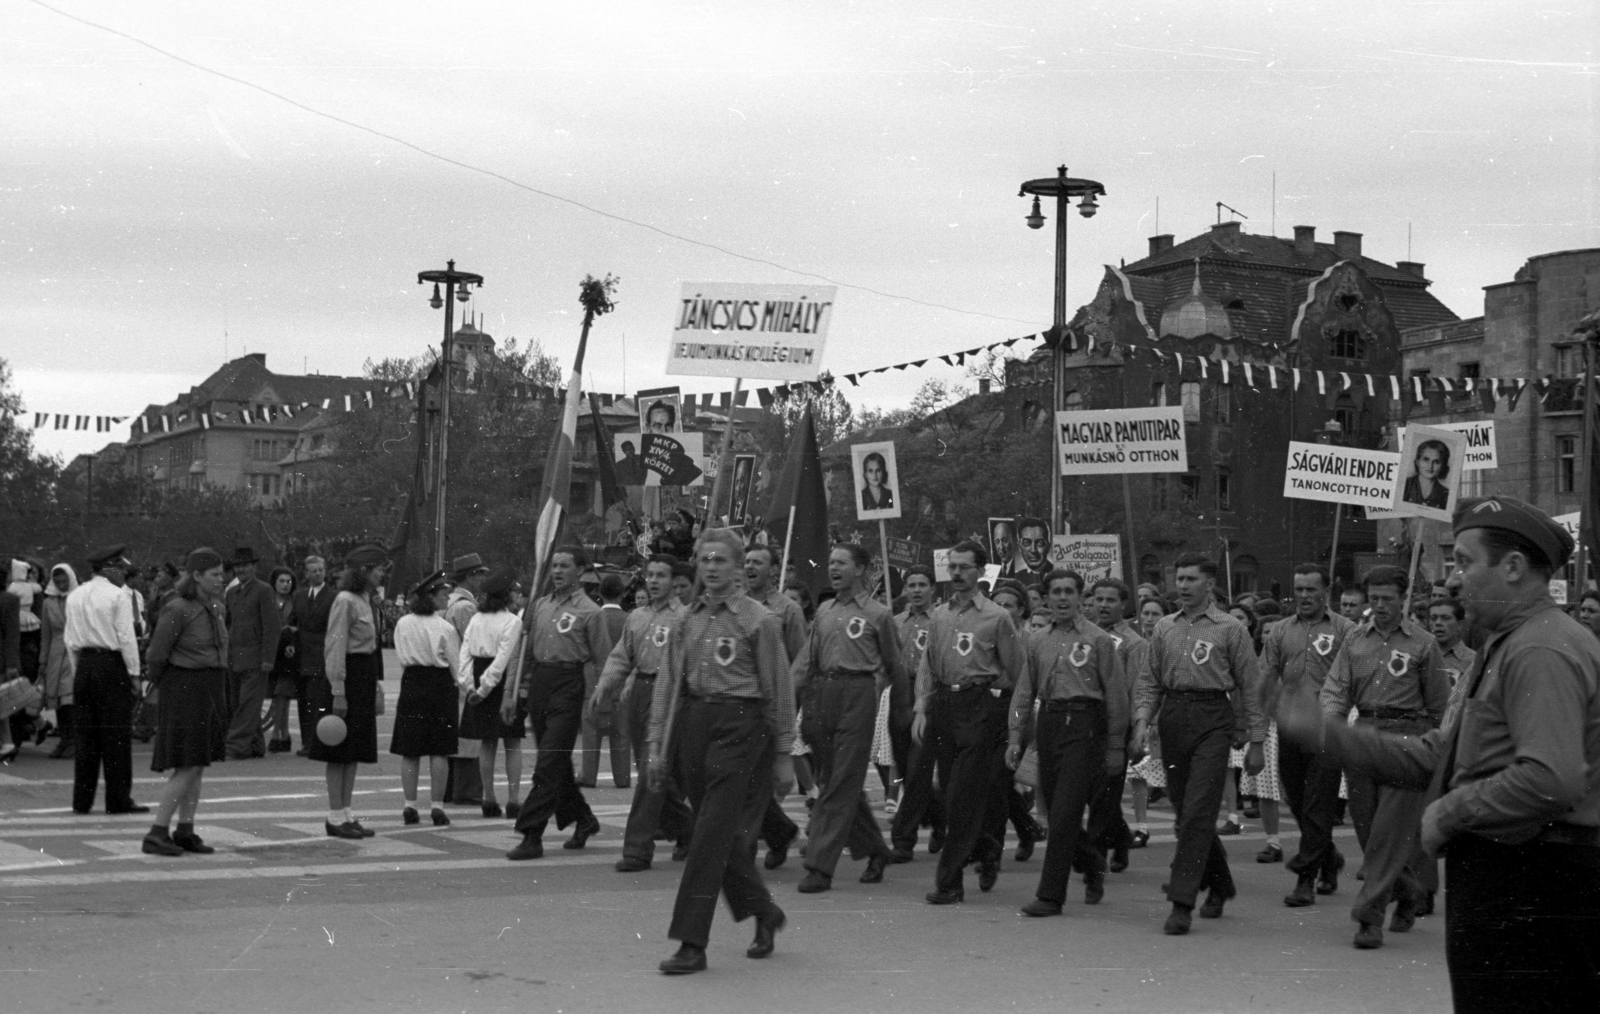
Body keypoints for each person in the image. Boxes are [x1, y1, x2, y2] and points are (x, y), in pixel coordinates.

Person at [1278, 495, 1600, 1010]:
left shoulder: (1540, 649)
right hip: (1516, 869)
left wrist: (1449, 811)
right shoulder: (1510, 642)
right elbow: (1442, 755)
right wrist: (1328, 734)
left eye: (1465, 563)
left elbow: (1550, 777)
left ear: (1514, 567)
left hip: (1534, 876)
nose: (1452, 580)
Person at [645, 528, 793, 975]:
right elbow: (668, 685)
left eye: (721, 561)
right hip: (694, 724)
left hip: (741, 727)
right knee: (717, 832)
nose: (711, 568)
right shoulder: (686, 621)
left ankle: (692, 942)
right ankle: (763, 910)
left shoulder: (759, 621)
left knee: (708, 834)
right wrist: (656, 747)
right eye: (704, 560)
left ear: (739, 567)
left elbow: (779, 689)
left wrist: (785, 753)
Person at [1132, 553, 1265, 935]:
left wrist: (1255, 740)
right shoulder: (1164, 628)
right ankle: (1220, 883)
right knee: (1185, 812)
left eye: (1191, 579)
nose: (1183, 586)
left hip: (1212, 717)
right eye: (1180, 579)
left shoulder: (1230, 629)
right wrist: (1142, 722)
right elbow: (1149, 681)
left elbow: (1251, 688)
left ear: (1210, 584)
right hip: (1174, 717)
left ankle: (1181, 901)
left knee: (1198, 811)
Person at [1320, 564, 1450, 950]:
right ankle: (1407, 890)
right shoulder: (1354, 641)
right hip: (1363, 738)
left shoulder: (1423, 644)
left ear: (1403, 599)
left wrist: (1438, 757)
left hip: (1407, 740)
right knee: (1366, 829)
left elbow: (1440, 706)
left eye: (1387, 599)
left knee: (1387, 832)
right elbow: (1336, 689)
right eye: (1373, 598)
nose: (1378, 606)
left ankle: (1369, 919)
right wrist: (1331, 726)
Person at [908, 540, 1025, 904]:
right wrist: (921, 707)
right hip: (944, 705)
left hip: (979, 708)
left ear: (980, 571)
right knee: (948, 791)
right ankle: (987, 848)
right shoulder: (940, 615)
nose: (956, 573)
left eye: (964, 567)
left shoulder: (996, 617)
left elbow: (1018, 672)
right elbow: (928, 664)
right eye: (952, 567)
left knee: (961, 795)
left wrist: (987, 692)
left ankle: (950, 882)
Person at [1009, 568, 1127, 916]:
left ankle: (1050, 896)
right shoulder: (1036, 640)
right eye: (1055, 592)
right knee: (1059, 812)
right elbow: (1024, 691)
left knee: (1063, 812)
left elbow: (1116, 695)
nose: (1062, 598)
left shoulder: (1098, 640)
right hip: (1049, 722)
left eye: (1069, 592)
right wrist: (1015, 735)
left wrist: (1116, 743)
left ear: (1080, 598)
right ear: (1046, 598)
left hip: (1085, 725)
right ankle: (1092, 865)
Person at [790, 543, 907, 893]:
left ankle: (819, 865)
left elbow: (895, 667)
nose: (834, 568)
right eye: (831, 562)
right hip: (821, 695)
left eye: (842, 563)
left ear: (861, 569)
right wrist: (789, 701)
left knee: (839, 782)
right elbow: (805, 663)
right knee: (838, 781)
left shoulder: (878, 614)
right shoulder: (824, 611)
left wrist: (901, 710)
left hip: (858, 695)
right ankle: (875, 849)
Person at [506, 546, 612, 860]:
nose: (557, 571)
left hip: (569, 684)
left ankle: (531, 834)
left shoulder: (591, 612)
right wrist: (510, 694)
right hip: (541, 682)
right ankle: (583, 818)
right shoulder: (539, 606)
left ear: (580, 571)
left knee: (549, 761)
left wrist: (599, 695)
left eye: (564, 566)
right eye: (554, 566)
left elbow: (603, 659)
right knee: (557, 763)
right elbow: (521, 652)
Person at [1261, 563, 1355, 907]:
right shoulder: (1281, 631)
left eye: (1310, 590)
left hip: (1327, 725)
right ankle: (1329, 859)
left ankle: (1306, 880)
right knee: (1297, 801)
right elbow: (1267, 674)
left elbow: (1354, 677)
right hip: (1290, 725)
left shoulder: (1346, 629)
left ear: (1325, 592)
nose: (1303, 596)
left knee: (1318, 803)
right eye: (1298, 589)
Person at [592, 555, 692, 872]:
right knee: (651, 770)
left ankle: (637, 848)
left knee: (652, 768)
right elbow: (622, 657)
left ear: (673, 581)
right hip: (640, 691)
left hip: (671, 695)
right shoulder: (636, 617)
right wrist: (605, 686)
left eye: (661, 575)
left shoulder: (685, 617)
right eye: (650, 574)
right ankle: (689, 831)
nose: (654, 580)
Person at [139, 547, 231, 856]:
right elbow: (156, 655)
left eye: (221, 574)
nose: (221, 579)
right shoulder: (178, 608)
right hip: (186, 687)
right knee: (187, 764)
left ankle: (185, 830)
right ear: (196, 576)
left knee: (198, 764)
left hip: (209, 686)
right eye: (215, 574)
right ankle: (157, 832)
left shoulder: (215, 606)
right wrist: (169, 686)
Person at [309, 544, 388, 839]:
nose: (382, 574)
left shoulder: (366, 598)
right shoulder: (345, 600)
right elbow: (335, 645)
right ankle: (333, 815)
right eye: (379, 569)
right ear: (365, 570)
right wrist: (338, 690)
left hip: (363, 677)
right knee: (338, 749)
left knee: (354, 748)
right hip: (346, 679)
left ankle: (346, 813)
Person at [64, 545, 148, 815]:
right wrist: (134, 674)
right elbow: (126, 637)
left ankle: (82, 800)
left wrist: (80, 671)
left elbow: (69, 641)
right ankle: (118, 799)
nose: (124, 575)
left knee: (86, 737)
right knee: (116, 737)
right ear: (110, 568)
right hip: (111, 666)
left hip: (85, 666)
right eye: (122, 569)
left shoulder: (74, 596)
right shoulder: (117, 596)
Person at [742, 545, 809, 871]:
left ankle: (766, 836)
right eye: (747, 561)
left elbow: (800, 660)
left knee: (757, 779)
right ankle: (779, 831)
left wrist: (789, 707)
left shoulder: (788, 610)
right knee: (744, 778)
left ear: (773, 570)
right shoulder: (734, 604)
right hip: (739, 703)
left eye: (758, 562)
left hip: (772, 705)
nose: (750, 566)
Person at [391, 569, 460, 827]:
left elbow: (400, 655)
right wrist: (466, 689)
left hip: (412, 683)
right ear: (430, 596)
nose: (447, 599)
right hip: (440, 685)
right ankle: (437, 807)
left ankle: (409, 805)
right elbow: (456, 664)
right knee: (439, 750)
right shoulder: (444, 627)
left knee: (410, 749)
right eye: (443, 595)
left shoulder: (403, 623)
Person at [888, 565, 948, 861]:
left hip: (929, 698)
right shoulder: (895, 621)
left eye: (922, 584)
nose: (916, 590)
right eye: (911, 584)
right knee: (904, 770)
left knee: (917, 771)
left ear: (933, 589)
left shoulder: (941, 620)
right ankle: (941, 819)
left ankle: (903, 840)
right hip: (899, 696)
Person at [1087, 577, 1146, 873]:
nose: (1103, 605)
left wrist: (1138, 729)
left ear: (1123, 604)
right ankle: (1121, 837)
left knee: (1105, 793)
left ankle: (1096, 857)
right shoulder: (1086, 634)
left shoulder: (1134, 644)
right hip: (1087, 723)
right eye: (1099, 599)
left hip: (1116, 726)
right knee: (1093, 792)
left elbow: (1137, 689)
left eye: (1110, 600)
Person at [458, 567, 526, 818]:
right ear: (506, 595)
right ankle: (514, 800)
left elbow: (465, 652)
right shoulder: (513, 621)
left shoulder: (476, 619)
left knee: (487, 743)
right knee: (512, 743)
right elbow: (504, 659)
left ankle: (488, 798)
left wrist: (470, 686)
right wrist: (486, 687)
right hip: (503, 681)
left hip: (477, 675)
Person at [988, 579, 1047, 860]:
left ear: (1021, 609)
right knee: (994, 783)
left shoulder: (1031, 640)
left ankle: (994, 851)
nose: (1002, 610)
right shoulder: (985, 634)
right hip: (989, 708)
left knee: (999, 780)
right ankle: (1027, 828)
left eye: (1008, 605)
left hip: (1019, 711)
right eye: (997, 605)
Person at [222, 547, 280, 760]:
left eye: (245, 565)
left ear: (254, 567)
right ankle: (255, 745)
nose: (241, 569)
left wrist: (268, 658)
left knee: (247, 703)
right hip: (235, 658)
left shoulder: (264, 590)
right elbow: (229, 625)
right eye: (238, 565)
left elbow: (272, 626)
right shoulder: (231, 593)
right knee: (240, 703)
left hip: (256, 659)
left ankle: (235, 746)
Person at [580, 573, 632, 789]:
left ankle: (589, 776)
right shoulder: (629, 619)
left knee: (591, 732)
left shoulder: (590, 617)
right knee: (621, 733)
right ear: (623, 594)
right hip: (622, 685)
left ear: (599, 594)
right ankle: (622, 778)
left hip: (593, 682)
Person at [289, 556, 335, 757]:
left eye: (320, 570)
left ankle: (318, 742)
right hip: (301, 654)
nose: (317, 573)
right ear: (306, 574)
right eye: (313, 570)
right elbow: (293, 622)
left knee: (317, 700)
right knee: (303, 700)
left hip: (321, 653)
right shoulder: (299, 596)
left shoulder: (333, 596)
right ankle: (307, 742)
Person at [38, 563, 78, 759]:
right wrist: (42, 661)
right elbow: (45, 634)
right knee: (58, 700)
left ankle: (72, 741)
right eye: (58, 582)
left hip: (74, 651)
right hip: (55, 652)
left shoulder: (78, 599)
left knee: (69, 697)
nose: (62, 585)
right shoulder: (48, 603)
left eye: (64, 581)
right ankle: (65, 739)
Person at [265, 567, 298, 754]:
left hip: (289, 653)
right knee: (276, 696)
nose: (286, 585)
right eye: (282, 581)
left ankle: (279, 734)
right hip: (272, 652)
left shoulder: (295, 602)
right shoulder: (268, 601)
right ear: (274, 583)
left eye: (288, 581)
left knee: (282, 694)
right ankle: (283, 734)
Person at [445, 554, 490, 638]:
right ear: (469, 577)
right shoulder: (466, 606)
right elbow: (473, 642)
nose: (484, 578)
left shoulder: (450, 598)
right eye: (480, 574)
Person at [1402, 439, 1451, 510]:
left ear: (1442, 466)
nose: (1430, 466)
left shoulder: (1446, 495)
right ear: (1417, 462)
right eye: (1426, 459)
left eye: (1436, 462)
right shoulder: (1404, 485)